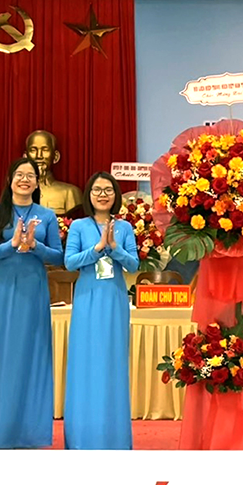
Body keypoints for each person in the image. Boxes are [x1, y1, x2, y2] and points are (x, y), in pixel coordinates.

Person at [0, 157, 64, 449]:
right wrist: (10, 244)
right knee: (3, 357)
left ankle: (30, 433)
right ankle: (0, 432)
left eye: (30, 175)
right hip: (4, 291)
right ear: (10, 180)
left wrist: (36, 246)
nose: (25, 179)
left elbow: (59, 257)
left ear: (37, 183)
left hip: (34, 291)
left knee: (32, 356)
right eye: (19, 174)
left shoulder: (46, 215)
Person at [63, 172, 139, 449]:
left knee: (112, 362)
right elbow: (70, 262)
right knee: (85, 363)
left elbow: (133, 265)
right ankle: (82, 438)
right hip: (87, 298)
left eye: (108, 190)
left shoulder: (125, 227)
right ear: (89, 195)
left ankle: (114, 438)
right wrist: (97, 249)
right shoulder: (79, 226)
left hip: (115, 298)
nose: (103, 195)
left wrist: (115, 249)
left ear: (115, 195)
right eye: (97, 190)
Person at [25, 130, 82, 215]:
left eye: (45, 150)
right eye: (33, 150)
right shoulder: (17, 192)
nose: (39, 156)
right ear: (25, 156)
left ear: (55, 157)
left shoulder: (70, 193)